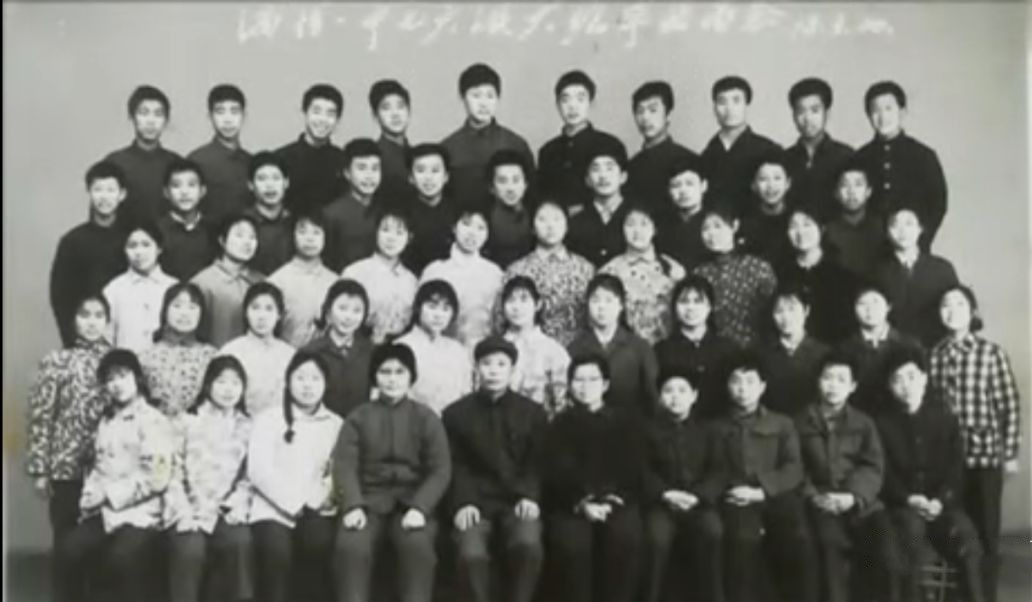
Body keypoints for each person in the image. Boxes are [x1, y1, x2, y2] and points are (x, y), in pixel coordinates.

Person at [333, 343, 452, 602]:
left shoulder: (426, 418)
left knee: (417, 548)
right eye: (385, 372)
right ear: (375, 377)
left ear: (411, 377)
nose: (392, 379)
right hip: (368, 503)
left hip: (411, 503)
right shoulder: (358, 417)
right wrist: (353, 505)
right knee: (352, 547)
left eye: (400, 372)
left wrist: (420, 507)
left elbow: (440, 469)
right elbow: (344, 465)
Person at [55, 349, 175, 602]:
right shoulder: (107, 420)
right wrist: (90, 495)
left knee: (121, 558)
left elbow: (157, 477)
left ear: (137, 378)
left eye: (122, 376)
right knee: (69, 550)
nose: (116, 384)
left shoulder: (154, 420)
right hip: (105, 512)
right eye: (110, 379)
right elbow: (98, 467)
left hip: (143, 513)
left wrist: (108, 495)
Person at [929, 285, 1022, 602]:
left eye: (959, 304)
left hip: (984, 458)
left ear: (972, 312)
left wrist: (1010, 453)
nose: (952, 311)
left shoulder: (990, 353)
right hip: (948, 464)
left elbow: (1009, 405)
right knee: (958, 533)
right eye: (945, 305)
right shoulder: (935, 356)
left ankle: (986, 596)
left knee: (986, 534)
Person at [701, 352, 818, 602]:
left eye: (750, 382)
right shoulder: (714, 428)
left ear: (762, 386)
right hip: (736, 498)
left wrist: (763, 490)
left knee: (798, 539)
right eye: (736, 381)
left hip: (776, 497)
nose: (743, 389)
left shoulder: (782, 423)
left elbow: (793, 468)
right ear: (727, 386)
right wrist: (735, 491)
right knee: (743, 542)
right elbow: (712, 469)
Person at [876, 348, 987, 602]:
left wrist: (940, 500)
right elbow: (884, 473)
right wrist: (908, 499)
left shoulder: (946, 419)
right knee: (909, 536)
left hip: (942, 505)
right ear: (890, 386)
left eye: (912, 377)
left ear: (925, 379)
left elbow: (955, 470)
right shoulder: (882, 424)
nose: (906, 385)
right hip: (902, 507)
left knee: (967, 540)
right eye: (898, 380)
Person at [443, 336, 548, 602]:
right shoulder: (455, 414)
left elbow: (537, 462)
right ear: (476, 368)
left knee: (528, 544)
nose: (493, 371)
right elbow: (455, 463)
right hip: (476, 502)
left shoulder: (532, 413)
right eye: (487, 364)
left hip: (516, 500)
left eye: (501, 364)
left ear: (512, 370)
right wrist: (464, 502)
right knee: (471, 554)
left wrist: (529, 496)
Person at [795, 351, 902, 602]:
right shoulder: (800, 422)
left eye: (841, 379)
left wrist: (853, 496)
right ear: (818, 381)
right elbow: (796, 468)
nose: (833, 385)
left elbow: (873, 466)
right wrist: (814, 496)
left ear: (853, 386)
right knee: (829, 548)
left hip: (861, 504)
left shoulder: (864, 423)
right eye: (827, 378)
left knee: (888, 554)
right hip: (820, 503)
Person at [541, 353, 646, 602]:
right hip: (573, 504)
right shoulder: (559, 425)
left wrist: (611, 499)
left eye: (592, 380)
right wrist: (581, 502)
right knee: (573, 546)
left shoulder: (626, 422)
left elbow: (634, 467)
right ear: (570, 385)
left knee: (624, 538)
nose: (585, 386)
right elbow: (555, 472)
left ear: (605, 384)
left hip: (616, 501)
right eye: (578, 380)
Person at [248, 351, 343, 602]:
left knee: (318, 547)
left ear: (326, 384)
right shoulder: (268, 419)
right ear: (288, 381)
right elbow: (258, 469)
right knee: (276, 553)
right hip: (272, 508)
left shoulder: (336, 424)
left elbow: (336, 471)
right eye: (300, 378)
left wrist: (317, 500)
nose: (307, 386)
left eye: (315, 378)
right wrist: (295, 503)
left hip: (318, 507)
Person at [25, 294, 113, 554]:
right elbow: (41, 416)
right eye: (84, 315)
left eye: (99, 316)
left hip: (107, 466)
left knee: (103, 539)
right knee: (66, 536)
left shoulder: (117, 361)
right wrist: (40, 471)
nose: (92, 322)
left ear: (107, 321)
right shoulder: (57, 361)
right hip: (65, 467)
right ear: (73, 320)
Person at [165, 356, 253, 602]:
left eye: (235, 383)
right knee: (190, 550)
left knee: (239, 542)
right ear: (208, 384)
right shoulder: (185, 421)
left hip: (225, 511)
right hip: (187, 508)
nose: (228, 389)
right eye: (221, 382)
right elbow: (172, 471)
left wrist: (236, 505)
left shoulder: (248, 426)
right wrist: (183, 511)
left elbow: (249, 476)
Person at [641, 366, 725, 602]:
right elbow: (642, 471)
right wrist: (665, 494)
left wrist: (698, 496)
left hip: (698, 503)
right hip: (662, 504)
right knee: (656, 539)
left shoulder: (708, 430)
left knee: (712, 531)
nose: (675, 397)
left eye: (682, 390)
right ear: (660, 396)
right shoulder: (647, 430)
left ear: (694, 396)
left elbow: (719, 470)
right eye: (668, 391)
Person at [854, 81, 947, 250]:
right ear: (868, 115)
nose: (882, 117)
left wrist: (918, 241)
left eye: (888, 109)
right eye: (875, 111)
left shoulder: (923, 155)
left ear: (902, 112)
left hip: (913, 250)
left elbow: (938, 204)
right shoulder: (859, 158)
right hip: (869, 251)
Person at [49, 161, 128, 346]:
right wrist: (71, 338)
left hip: (125, 330)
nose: (104, 197)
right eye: (98, 189)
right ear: (89, 192)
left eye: (111, 190)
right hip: (85, 333)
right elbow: (60, 295)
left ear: (122, 194)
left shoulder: (132, 239)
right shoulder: (72, 241)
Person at [441, 63, 535, 209]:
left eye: (490, 96)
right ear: (462, 97)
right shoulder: (448, 148)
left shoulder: (516, 144)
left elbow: (532, 196)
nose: (483, 104)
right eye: (476, 96)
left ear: (498, 98)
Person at [503, 199, 595, 346]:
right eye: (542, 219)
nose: (550, 226)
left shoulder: (585, 269)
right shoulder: (517, 271)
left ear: (567, 226)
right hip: (530, 351)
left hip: (579, 352)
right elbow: (501, 321)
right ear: (532, 228)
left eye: (557, 219)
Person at [567, 274, 659, 416]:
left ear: (621, 305)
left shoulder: (639, 347)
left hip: (631, 424)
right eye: (595, 300)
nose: (601, 307)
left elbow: (653, 396)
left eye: (609, 300)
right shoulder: (575, 348)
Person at [654, 276, 740, 419]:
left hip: (723, 424)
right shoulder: (661, 350)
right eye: (684, 301)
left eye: (698, 301)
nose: (690, 307)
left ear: (710, 307)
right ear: (674, 307)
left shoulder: (728, 348)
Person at [539, 70, 625, 212]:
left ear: (591, 103)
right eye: (565, 99)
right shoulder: (548, 151)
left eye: (580, 99)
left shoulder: (610, 145)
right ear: (557, 105)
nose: (572, 106)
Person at [692, 207, 778, 348]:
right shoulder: (700, 273)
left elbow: (774, 313)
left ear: (734, 226)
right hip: (716, 351)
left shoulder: (758, 267)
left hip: (756, 349)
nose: (712, 234)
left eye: (718, 226)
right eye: (705, 229)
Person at [600, 204, 686, 344]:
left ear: (655, 229)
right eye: (630, 225)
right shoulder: (610, 271)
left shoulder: (674, 269)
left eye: (644, 224)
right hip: (625, 349)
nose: (637, 231)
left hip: (669, 349)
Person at [873, 206, 959, 346]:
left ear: (920, 228)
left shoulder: (942, 268)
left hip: (937, 345)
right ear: (887, 232)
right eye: (895, 225)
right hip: (891, 348)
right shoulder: (876, 271)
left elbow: (955, 308)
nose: (902, 231)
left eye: (909, 224)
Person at [421, 205, 504, 348]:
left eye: (481, 228)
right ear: (454, 227)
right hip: (440, 349)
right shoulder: (434, 271)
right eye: (466, 224)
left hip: (484, 352)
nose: (472, 233)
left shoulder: (495, 273)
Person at [836, 284, 925, 415]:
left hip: (902, 418)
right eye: (862, 304)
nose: (869, 309)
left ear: (888, 306)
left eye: (875, 302)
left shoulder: (909, 345)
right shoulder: (844, 349)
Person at [700, 75, 781, 218]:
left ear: (747, 105)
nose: (729, 109)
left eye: (736, 101)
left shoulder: (768, 149)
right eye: (722, 102)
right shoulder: (707, 154)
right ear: (714, 108)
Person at [776, 205, 858, 344]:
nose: (800, 232)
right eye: (793, 226)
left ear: (822, 228)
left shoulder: (842, 272)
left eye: (807, 225)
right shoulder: (781, 273)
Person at [104, 84, 183, 222]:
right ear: (132, 117)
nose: (151, 121)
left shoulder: (177, 164)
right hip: (125, 235)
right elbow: (101, 216)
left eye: (158, 114)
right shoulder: (114, 163)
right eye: (144, 113)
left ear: (166, 120)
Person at [395, 280, 474, 414]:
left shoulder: (458, 351)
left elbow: (466, 395)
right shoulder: (400, 347)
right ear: (418, 308)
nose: (438, 315)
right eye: (432, 307)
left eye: (445, 309)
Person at [341, 208, 418, 344]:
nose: (391, 238)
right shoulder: (355, 273)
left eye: (399, 233)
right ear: (376, 232)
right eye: (385, 230)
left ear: (409, 238)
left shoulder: (411, 281)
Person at [139, 282, 218, 416]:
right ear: (165, 311)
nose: (184, 314)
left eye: (192, 307)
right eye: (177, 306)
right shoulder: (145, 356)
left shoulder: (212, 357)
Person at [219, 282, 297, 416]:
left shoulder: (290, 355)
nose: (262, 316)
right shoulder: (230, 351)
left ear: (279, 314)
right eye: (255, 308)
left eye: (269, 309)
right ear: (246, 312)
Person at [499, 276, 570, 417]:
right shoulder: (496, 347)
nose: (516, 307)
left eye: (524, 300)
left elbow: (562, 402)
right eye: (510, 300)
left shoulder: (553, 350)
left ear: (538, 305)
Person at [302, 279, 375, 418]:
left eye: (357, 311)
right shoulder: (310, 352)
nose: (348, 317)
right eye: (342, 308)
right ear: (328, 311)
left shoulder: (371, 352)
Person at [191, 213, 265, 347]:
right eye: (239, 235)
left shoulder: (262, 281)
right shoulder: (202, 283)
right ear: (222, 240)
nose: (247, 242)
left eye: (252, 237)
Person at [783, 78, 854, 216]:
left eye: (814, 110)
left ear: (827, 113)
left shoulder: (846, 156)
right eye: (800, 111)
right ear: (793, 116)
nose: (807, 119)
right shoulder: (784, 158)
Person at [267, 210, 339, 347]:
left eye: (316, 232)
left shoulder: (336, 282)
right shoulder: (276, 282)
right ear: (292, 236)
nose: (309, 238)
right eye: (302, 232)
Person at [103, 221, 178, 352]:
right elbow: (106, 337)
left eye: (146, 245)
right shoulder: (114, 289)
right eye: (132, 246)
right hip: (126, 362)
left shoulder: (173, 286)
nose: (139, 252)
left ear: (159, 248)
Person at [757, 284, 830, 416]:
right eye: (779, 311)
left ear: (806, 311)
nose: (786, 317)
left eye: (792, 309)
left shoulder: (824, 353)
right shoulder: (762, 354)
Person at [626, 81, 698, 214]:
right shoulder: (631, 166)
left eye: (653, 110)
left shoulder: (691, 160)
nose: (645, 117)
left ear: (668, 115)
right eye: (640, 111)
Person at [187, 83, 253, 223]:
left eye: (234, 111)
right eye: (220, 112)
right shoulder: (197, 160)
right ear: (210, 116)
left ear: (244, 116)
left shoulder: (251, 162)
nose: (228, 119)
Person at [275, 83, 346, 213]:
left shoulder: (344, 161)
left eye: (330, 114)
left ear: (338, 120)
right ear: (304, 113)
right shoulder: (280, 158)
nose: (322, 120)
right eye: (316, 112)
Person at [567, 137, 634, 268]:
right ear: (587, 180)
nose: (603, 176)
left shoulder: (639, 215)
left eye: (609, 168)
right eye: (595, 169)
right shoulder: (575, 221)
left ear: (623, 176)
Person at [322, 138, 383, 272]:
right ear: (347, 173)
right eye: (362, 168)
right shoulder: (331, 215)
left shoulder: (386, 210)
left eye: (375, 168)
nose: (369, 176)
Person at [824, 160, 888, 279]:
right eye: (845, 185)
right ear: (836, 193)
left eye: (858, 184)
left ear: (868, 191)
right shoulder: (826, 231)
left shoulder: (883, 228)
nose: (851, 191)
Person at [158, 158, 218, 280]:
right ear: (166, 192)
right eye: (176, 186)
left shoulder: (215, 230)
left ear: (202, 191)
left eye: (191, 185)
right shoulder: (156, 231)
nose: (184, 192)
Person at [403, 143, 458, 274]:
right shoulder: (401, 214)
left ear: (446, 177)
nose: (428, 178)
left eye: (435, 170)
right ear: (411, 178)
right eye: (421, 170)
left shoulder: (459, 212)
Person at [737, 151, 795, 265]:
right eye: (763, 179)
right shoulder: (744, 223)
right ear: (753, 185)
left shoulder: (797, 219)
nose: (771, 186)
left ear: (788, 183)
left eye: (777, 178)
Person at [655, 154, 710, 272]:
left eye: (689, 183)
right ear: (668, 191)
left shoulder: (715, 222)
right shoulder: (660, 225)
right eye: (676, 185)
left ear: (704, 186)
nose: (683, 191)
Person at [483, 150, 535, 269]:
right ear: (491, 187)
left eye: (516, 180)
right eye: (502, 181)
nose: (510, 188)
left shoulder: (536, 215)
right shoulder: (483, 219)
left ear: (526, 184)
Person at [245, 151, 294, 275]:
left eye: (276, 178)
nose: (270, 185)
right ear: (250, 185)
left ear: (286, 182)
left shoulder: (296, 222)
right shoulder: (242, 223)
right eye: (262, 179)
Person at [368, 79, 414, 200]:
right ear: (375, 116)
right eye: (386, 108)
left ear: (409, 111)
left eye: (400, 106)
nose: (395, 114)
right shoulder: (373, 159)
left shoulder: (416, 155)